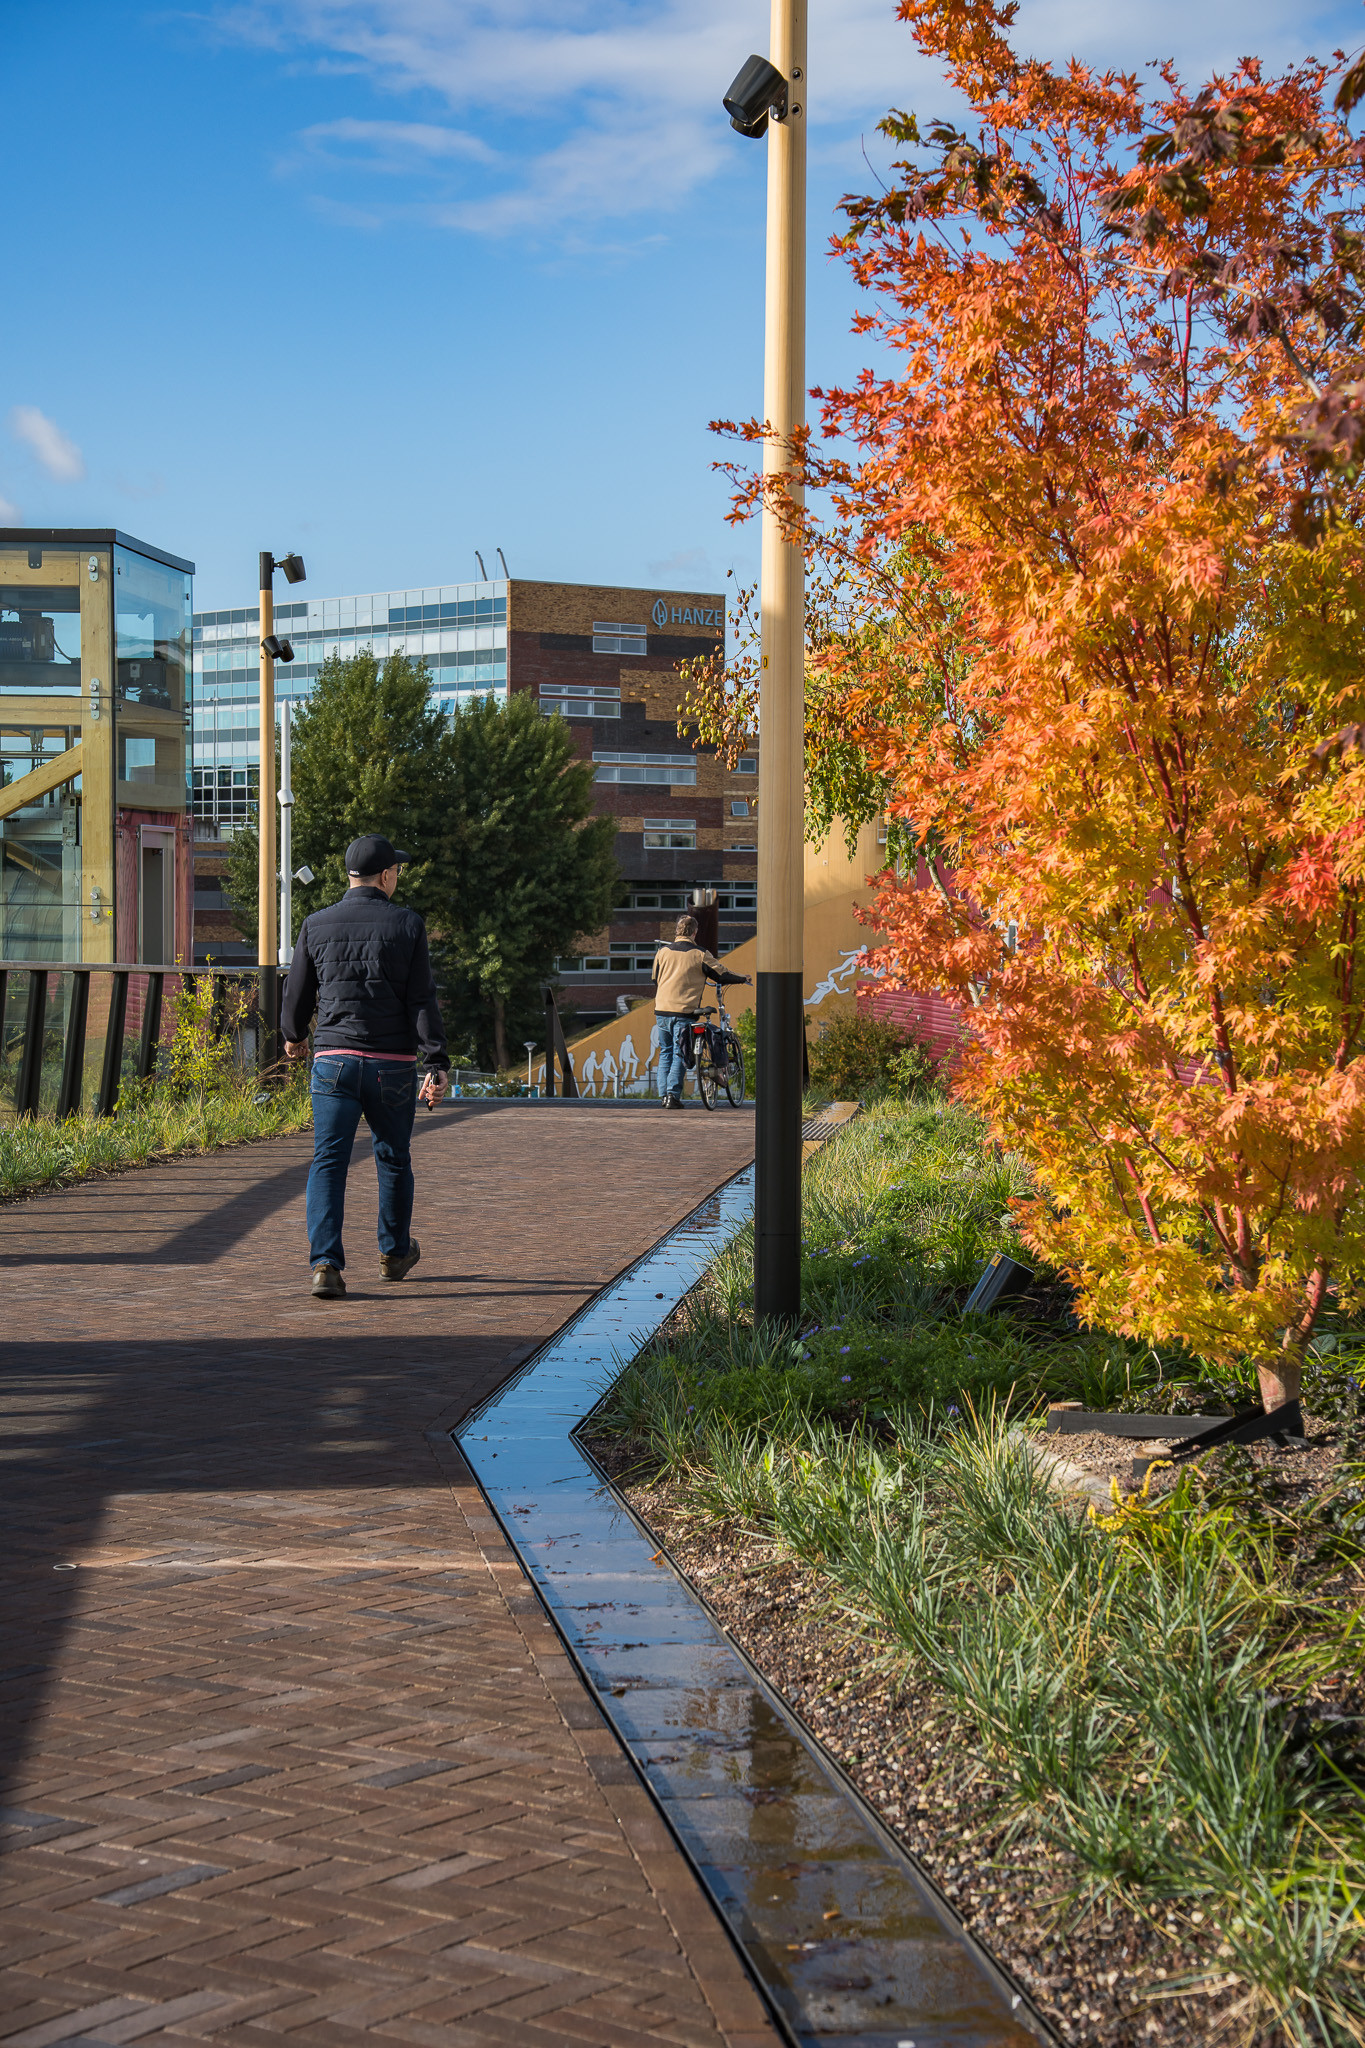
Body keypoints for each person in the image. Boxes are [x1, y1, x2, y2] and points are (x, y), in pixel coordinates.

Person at [282, 833, 449, 1298]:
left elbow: (297, 992)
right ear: (387, 875)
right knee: (393, 1158)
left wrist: (294, 1036)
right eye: (397, 870)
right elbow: (422, 1000)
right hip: (391, 1066)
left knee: (328, 1161)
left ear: (349, 876)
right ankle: (394, 1254)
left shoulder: (316, 924)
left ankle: (325, 1265)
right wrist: (436, 1062)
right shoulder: (407, 925)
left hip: (334, 1061)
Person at [650, 913, 751, 1109]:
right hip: (684, 1011)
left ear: (677, 931)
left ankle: (664, 1097)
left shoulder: (662, 952)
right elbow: (721, 974)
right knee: (680, 1052)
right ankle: (672, 1095)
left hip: (661, 1010)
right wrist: (742, 978)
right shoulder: (699, 954)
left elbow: (654, 978)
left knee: (666, 1052)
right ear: (695, 932)